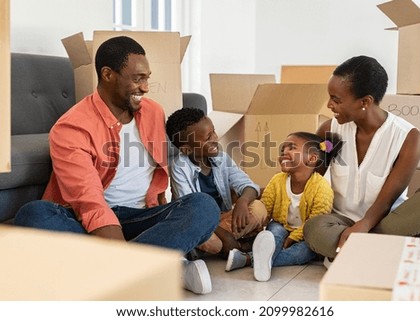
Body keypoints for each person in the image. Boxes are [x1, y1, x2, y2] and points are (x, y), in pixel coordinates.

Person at [14, 36, 220, 295]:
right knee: (33, 215)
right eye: (137, 79)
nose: (145, 87)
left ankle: (111, 273)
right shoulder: (71, 127)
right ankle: (153, 269)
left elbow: (171, 170)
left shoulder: (153, 112)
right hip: (87, 223)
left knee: (203, 207)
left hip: (142, 217)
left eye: (147, 78)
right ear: (108, 74)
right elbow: (89, 202)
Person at [303, 55, 420, 264]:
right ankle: (388, 254)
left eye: (336, 99)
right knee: (314, 229)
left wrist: (364, 225)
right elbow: (309, 181)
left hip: (387, 221)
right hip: (339, 223)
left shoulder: (409, 138)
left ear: (365, 102)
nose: (329, 105)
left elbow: (388, 199)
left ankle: (357, 255)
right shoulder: (329, 130)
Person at [225, 131, 342, 281]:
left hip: (304, 235)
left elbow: (314, 222)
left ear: (312, 159)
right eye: (282, 150)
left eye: (291, 148)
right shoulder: (277, 180)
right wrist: (254, 231)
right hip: (280, 226)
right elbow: (265, 209)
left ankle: (248, 259)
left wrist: (292, 238)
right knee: (275, 233)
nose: (284, 153)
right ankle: (261, 256)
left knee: (304, 253)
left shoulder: (322, 188)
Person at [166, 107, 268, 262]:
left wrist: (242, 201)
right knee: (200, 234)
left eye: (213, 131)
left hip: (222, 219)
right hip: (198, 221)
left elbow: (248, 185)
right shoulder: (179, 168)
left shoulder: (222, 158)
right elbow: (191, 212)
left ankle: (228, 249)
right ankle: (242, 249)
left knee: (258, 208)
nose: (215, 138)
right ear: (187, 149)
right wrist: (225, 235)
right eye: (208, 138)